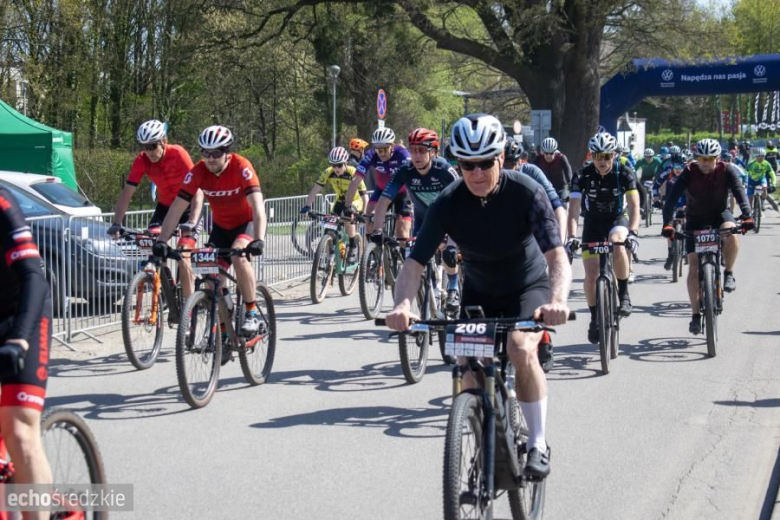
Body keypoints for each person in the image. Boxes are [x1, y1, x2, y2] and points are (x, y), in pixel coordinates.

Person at [384, 113, 571, 478]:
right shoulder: (448, 202)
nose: (477, 173)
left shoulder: (526, 192)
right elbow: (414, 263)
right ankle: (484, 442)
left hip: (527, 287)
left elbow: (556, 256)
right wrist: (403, 304)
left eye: (485, 163)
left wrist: (558, 300)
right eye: (467, 165)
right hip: (480, 291)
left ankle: (537, 443)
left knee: (520, 348)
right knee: (467, 364)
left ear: (500, 157)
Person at [153, 125, 267, 339]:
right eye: (205, 153)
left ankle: (251, 312)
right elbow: (176, 208)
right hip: (221, 229)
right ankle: (225, 321)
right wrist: (162, 240)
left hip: (246, 224)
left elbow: (258, 206)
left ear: (227, 152)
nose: (210, 158)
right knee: (209, 275)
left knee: (239, 256)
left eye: (216, 153)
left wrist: (259, 239)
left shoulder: (242, 166)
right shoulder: (198, 171)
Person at [661, 139, 753, 334]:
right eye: (702, 159)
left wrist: (747, 216)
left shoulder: (727, 170)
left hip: (720, 214)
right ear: (697, 158)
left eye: (709, 159)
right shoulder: (689, 171)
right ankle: (695, 315)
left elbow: (739, 192)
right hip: (695, 219)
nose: (705, 163)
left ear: (717, 159)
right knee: (694, 267)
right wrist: (667, 223)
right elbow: (671, 199)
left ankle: (729, 273)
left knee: (731, 232)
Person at [0, 186, 53, 520]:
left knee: (19, 428)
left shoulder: (1, 203)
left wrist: (19, 339)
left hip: (21, 316)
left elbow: (33, 275)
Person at [109, 120, 204, 297]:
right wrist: (116, 223)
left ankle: (188, 306)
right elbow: (127, 192)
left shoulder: (178, 154)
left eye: (152, 146)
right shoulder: (142, 160)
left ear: (163, 141)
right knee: (153, 246)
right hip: (165, 208)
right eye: (144, 146)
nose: (149, 151)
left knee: (183, 254)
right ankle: (168, 289)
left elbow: (197, 190)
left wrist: (192, 221)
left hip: (188, 208)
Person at [372, 128, 461, 309]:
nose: (416, 155)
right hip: (424, 220)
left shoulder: (445, 170)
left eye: (421, 150)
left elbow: (462, 204)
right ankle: (428, 291)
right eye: (413, 150)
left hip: (449, 218)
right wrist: (377, 230)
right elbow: (383, 201)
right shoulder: (405, 170)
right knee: (415, 259)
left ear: (433, 152)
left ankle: (453, 288)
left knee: (449, 255)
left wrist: (452, 245)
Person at [567, 132, 640, 345]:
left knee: (618, 242)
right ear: (592, 156)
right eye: (597, 156)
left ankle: (624, 295)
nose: (602, 161)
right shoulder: (582, 175)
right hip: (593, 222)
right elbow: (574, 210)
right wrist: (572, 237)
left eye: (607, 156)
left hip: (617, 218)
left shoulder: (624, 172)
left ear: (613, 156)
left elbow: (634, 206)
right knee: (591, 276)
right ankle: (594, 318)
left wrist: (633, 232)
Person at [344, 127, 413, 240]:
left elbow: (412, 176)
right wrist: (347, 206)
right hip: (381, 191)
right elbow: (356, 180)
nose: (382, 154)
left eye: (385, 149)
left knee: (402, 234)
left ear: (392, 146)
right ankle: (374, 249)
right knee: (369, 223)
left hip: (402, 193)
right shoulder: (371, 155)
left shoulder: (402, 154)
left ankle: (402, 249)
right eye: (378, 150)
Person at [302, 147, 368, 264]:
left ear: (345, 163)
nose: (336, 168)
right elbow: (315, 189)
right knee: (329, 227)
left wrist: (365, 212)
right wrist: (307, 206)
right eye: (333, 165)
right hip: (340, 201)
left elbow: (364, 195)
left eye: (339, 165)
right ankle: (329, 259)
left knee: (347, 217)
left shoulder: (353, 172)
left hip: (355, 201)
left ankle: (353, 245)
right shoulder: (328, 172)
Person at [506, 137, 567, 242]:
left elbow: (557, 207)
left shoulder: (532, 171)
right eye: (504, 165)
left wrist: (560, 242)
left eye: (511, 165)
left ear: (520, 161)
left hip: (530, 229)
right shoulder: (489, 177)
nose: (507, 170)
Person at [532, 137, 573, 206]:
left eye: (551, 153)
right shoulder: (538, 159)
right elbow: (531, 171)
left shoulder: (561, 158)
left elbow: (568, 171)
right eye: (546, 153)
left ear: (555, 152)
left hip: (561, 187)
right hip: (545, 189)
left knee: (564, 204)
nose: (548, 156)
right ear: (543, 152)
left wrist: (570, 183)